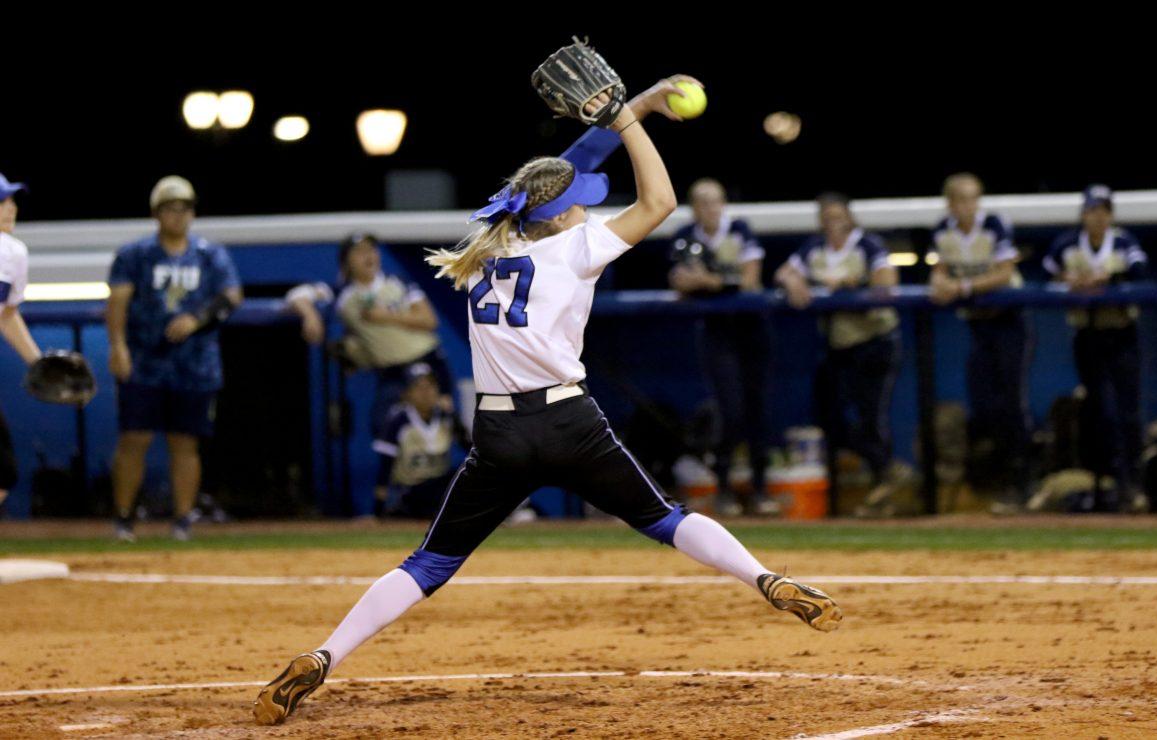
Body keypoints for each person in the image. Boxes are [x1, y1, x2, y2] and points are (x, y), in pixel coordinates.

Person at [253, 74, 842, 726]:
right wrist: (627, 122)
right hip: (569, 422)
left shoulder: (488, 244)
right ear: (559, 216)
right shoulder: (576, 248)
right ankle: (765, 578)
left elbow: (550, 180)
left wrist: (636, 104)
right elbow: (661, 197)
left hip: (499, 433)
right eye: (578, 204)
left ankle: (326, 653)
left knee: (428, 564)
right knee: (667, 520)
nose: (585, 208)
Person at [106, 176, 242, 542]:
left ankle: (182, 520)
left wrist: (196, 318)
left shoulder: (210, 255)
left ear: (193, 213)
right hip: (144, 361)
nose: (178, 216)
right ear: (156, 213)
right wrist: (117, 346)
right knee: (133, 438)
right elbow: (117, 302)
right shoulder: (135, 254)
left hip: (195, 365)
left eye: (184, 208)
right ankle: (123, 518)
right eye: (170, 208)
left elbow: (232, 294)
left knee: (185, 443)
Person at [774, 192, 901, 507]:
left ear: (850, 217)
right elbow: (783, 272)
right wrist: (792, 282)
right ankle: (887, 471)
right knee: (829, 416)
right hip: (839, 346)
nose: (833, 224)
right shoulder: (814, 247)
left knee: (873, 415)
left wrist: (852, 281)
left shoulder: (867, 244)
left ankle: (885, 480)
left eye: (839, 217)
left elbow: (887, 279)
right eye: (827, 218)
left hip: (875, 340)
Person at [668, 178, 777, 516]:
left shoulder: (740, 229)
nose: (710, 208)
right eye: (703, 203)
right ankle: (726, 488)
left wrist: (709, 281)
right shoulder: (686, 236)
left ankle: (760, 489)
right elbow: (679, 282)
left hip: (751, 328)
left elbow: (750, 280)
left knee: (757, 409)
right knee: (729, 410)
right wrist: (714, 282)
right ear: (694, 207)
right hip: (717, 332)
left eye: (715, 201)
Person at [927, 173, 1032, 509]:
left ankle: (1022, 485)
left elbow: (1004, 272)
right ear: (950, 202)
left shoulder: (995, 224)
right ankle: (996, 484)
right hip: (978, 327)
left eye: (972, 198)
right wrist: (939, 282)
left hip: (1010, 322)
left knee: (1013, 406)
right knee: (985, 407)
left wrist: (962, 288)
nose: (967, 205)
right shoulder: (943, 229)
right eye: (960, 199)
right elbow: (938, 271)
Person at [1043, 185, 1148, 512]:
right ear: (1084, 214)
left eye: (1103, 210)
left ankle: (1133, 485)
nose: (1097, 216)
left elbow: (1140, 270)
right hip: (1086, 335)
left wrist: (1106, 277)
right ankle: (1100, 486)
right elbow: (1047, 272)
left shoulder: (1124, 241)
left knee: (1127, 412)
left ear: (1110, 215)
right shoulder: (1068, 243)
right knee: (1096, 412)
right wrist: (1069, 279)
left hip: (1121, 333)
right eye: (1092, 210)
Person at [286, 232, 451, 432]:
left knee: (444, 424)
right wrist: (311, 316)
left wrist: (386, 316)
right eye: (360, 252)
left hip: (428, 362)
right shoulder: (343, 293)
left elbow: (429, 320)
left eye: (372, 250)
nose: (369, 256)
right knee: (383, 427)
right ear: (346, 262)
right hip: (391, 372)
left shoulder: (397, 282)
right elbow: (297, 295)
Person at [0, 173, 42, 509]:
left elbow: (7, 315)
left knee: (3, 472)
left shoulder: (13, 253)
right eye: (1, 201)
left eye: (11, 200)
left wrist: (38, 362)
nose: (10, 208)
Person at [371, 362, 462, 518]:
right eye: (419, 387)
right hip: (410, 491)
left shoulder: (446, 417)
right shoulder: (399, 419)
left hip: (440, 489)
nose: (426, 393)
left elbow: (472, 448)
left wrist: (455, 419)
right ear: (407, 393)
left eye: (431, 386)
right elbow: (385, 467)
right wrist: (378, 509)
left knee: (462, 475)